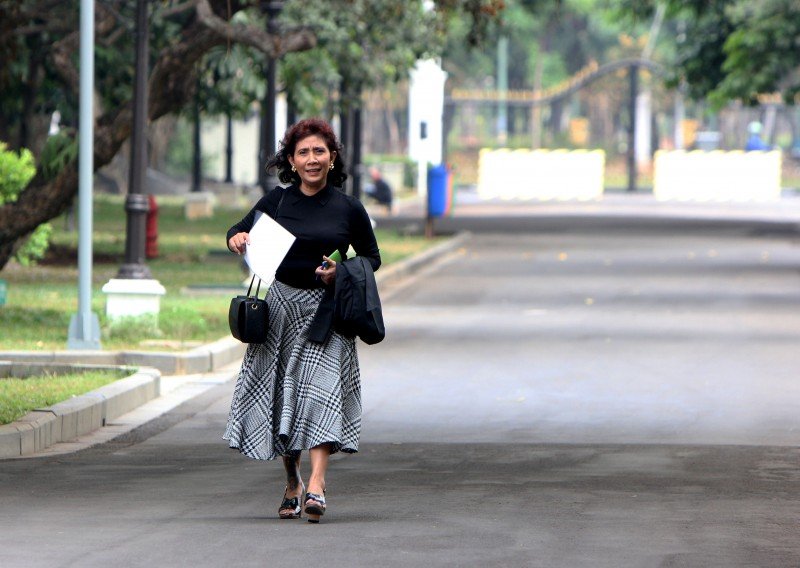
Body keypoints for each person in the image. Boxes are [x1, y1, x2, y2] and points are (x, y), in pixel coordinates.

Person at [223, 118, 381, 523]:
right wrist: (236, 239)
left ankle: (317, 484)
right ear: (291, 161)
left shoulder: (349, 209)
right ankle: (292, 480)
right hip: (279, 310)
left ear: (332, 158)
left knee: (321, 392)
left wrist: (339, 271)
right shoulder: (276, 202)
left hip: (327, 312)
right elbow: (238, 231)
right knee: (284, 398)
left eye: (319, 151)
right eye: (303, 153)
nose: (312, 160)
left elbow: (370, 257)